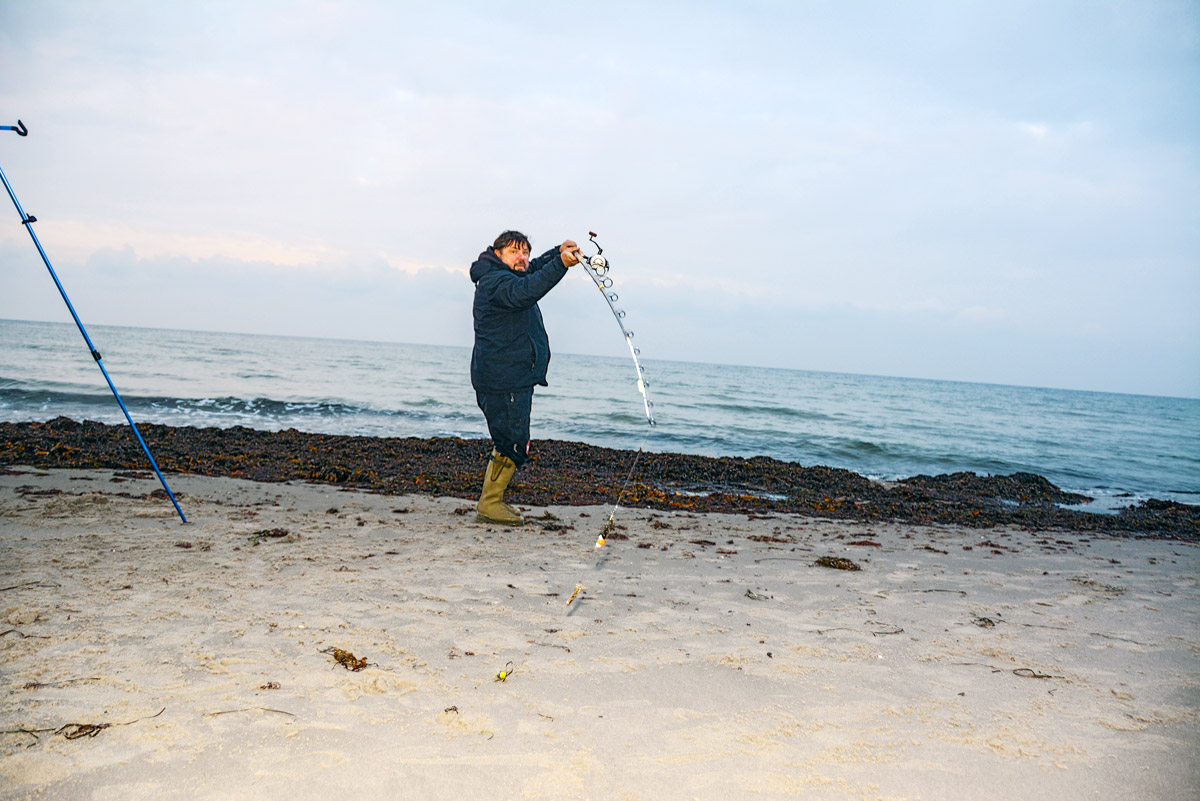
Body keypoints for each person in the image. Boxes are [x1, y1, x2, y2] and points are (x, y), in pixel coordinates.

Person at [469, 230, 580, 524]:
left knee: (512, 439)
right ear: (497, 254)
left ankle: (491, 501)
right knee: (513, 442)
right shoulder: (495, 282)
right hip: (503, 380)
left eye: (525, 252)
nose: (522, 258)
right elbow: (528, 289)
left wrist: (557, 252)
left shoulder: (509, 273)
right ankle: (490, 503)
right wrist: (561, 265)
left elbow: (531, 271)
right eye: (514, 252)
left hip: (514, 376)